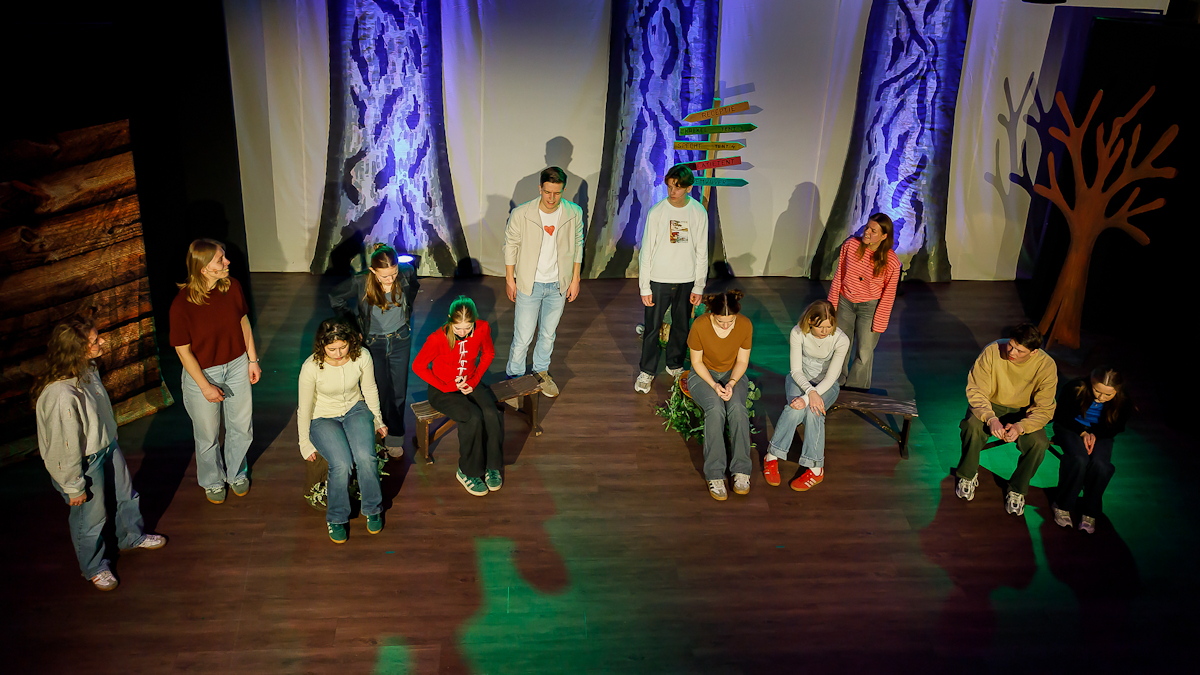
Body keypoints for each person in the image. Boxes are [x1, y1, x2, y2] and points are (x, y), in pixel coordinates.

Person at [34, 317, 166, 591]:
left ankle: (131, 536)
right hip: (84, 462)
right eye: (95, 340)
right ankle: (93, 566)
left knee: (126, 495)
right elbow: (62, 446)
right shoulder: (61, 394)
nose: (102, 341)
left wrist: (110, 435)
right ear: (76, 350)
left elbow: (98, 410)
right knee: (90, 518)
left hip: (106, 446)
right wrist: (73, 485)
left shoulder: (87, 369)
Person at [170, 239, 261, 504]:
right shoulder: (182, 305)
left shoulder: (232, 287)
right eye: (220, 260)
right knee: (207, 434)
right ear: (203, 269)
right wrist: (205, 386)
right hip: (203, 373)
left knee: (241, 427)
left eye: (224, 257)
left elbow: (243, 322)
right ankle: (212, 480)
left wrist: (252, 360)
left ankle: (236, 473)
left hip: (237, 365)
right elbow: (183, 352)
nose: (227, 262)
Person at [298, 318, 387, 543]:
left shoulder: (362, 356)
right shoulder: (311, 367)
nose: (338, 354)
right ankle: (336, 517)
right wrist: (304, 443)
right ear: (322, 346)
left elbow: (370, 389)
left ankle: (373, 508)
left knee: (365, 457)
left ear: (350, 342)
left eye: (343, 347)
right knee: (341, 463)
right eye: (332, 349)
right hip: (322, 417)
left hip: (355, 409)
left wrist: (378, 420)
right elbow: (304, 408)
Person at [955, 323, 1057, 516]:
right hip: (991, 404)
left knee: (1039, 443)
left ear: (1034, 352)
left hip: (1024, 412)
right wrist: (990, 418)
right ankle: (967, 474)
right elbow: (976, 390)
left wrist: (1021, 426)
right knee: (971, 426)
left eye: (1020, 350)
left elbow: (1044, 408)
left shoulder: (1046, 365)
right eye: (1011, 345)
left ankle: (1017, 489)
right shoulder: (992, 351)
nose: (1011, 352)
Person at [503, 166, 585, 398]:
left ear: (563, 190)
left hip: (558, 284)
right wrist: (510, 278)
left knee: (548, 334)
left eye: (557, 193)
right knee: (523, 336)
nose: (551, 198)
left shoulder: (573, 212)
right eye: (547, 192)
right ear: (540, 188)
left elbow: (578, 243)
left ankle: (541, 372)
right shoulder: (522, 213)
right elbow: (511, 245)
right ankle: (515, 379)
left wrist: (575, 278)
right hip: (530, 283)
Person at [413, 296, 504, 496]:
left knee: (491, 413)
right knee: (472, 417)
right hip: (442, 389)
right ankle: (468, 472)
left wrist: (474, 380)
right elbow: (418, 366)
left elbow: (488, 353)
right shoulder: (438, 338)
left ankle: (492, 466)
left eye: (467, 327)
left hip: (470, 381)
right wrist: (445, 386)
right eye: (458, 328)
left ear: (474, 322)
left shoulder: (482, 328)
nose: (462, 333)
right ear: (450, 320)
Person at [330, 244, 419, 448]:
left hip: (400, 340)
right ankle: (378, 432)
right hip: (373, 342)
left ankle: (395, 436)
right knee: (379, 389)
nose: (390, 279)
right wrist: (353, 327)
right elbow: (335, 297)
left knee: (398, 390)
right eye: (384, 276)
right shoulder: (361, 281)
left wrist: (407, 311)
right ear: (372, 270)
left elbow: (413, 287)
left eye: (393, 274)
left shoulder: (406, 272)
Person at [635, 164, 708, 394]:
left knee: (681, 325)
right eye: (669, 186)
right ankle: (647, 370)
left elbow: (702, 251)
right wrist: (645, 287)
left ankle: (674, 364)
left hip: (686, 280)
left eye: (677, 187)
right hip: (659, 279)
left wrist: (699, 285)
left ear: (688, 188)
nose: (672, 191)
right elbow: (646, 251)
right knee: (652, 327)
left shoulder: (698, 212)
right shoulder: (657, 212)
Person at [763, 300, 850, 491]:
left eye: (829, 326)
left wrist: (807, 398)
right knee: (794, 410)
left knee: (813, 411)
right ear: (810, 321)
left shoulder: (841, 340)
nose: (825, 331)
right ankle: (772, 456)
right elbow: (795, 370)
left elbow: (831, 377)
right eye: (820, 327)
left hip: (827, 386)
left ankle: (816, 468)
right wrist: (809, 393)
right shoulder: (797, 333)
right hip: (799, 380)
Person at [686, 290, 754, 501]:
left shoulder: (745, 325)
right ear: (712, 314)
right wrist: (715, 385)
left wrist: (731, 382)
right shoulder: (700, 325)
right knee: (715, 409)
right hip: (703, 374)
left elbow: (742, 361)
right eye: (720, 321)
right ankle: (715, 474)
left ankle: (741, 470)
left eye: (730, 321)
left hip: (732, 373)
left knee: (738, 409)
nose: (726, 326)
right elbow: (696, 362)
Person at [1051, 366, 1132, 534]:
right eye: (1097, 391)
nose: (1101, 397)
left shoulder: (1124, 400)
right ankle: (1062, 504)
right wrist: (1082, 432)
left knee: (1101, 465)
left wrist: (1095, 434)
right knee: (1079, 459)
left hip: (1101, 433)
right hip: (1071, 428)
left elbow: (1117, 426)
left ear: (1117, 391)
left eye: (1108, 395)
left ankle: (1090, 510)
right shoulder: (1075, 388)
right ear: (1091, 382)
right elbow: (1061, 416)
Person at [827, 213, 900, 390]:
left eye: (873, 231)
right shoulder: (850, 245)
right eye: (867, 227)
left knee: (865, 351)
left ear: (884, 236)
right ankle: (835, 381)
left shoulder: (891, 261)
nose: (867, 232)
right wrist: (832, 304)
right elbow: (839, 275)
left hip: (869, 308)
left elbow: (889, 295)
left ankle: (856, 388)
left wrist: (880, 322)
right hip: (845, 302)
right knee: (841, 344)